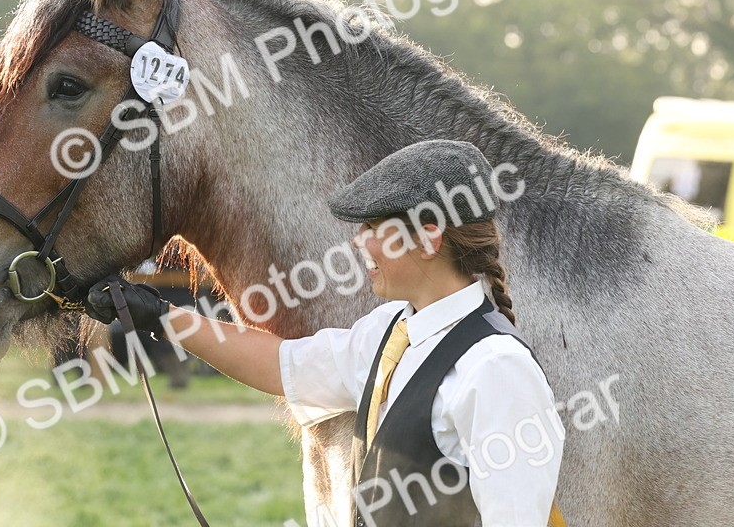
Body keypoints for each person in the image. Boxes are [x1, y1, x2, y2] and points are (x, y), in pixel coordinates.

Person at [84, 140, 565, 527]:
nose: (359, 241)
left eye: (375, 225)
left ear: (429, 238)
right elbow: (282, 365)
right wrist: (161, 317)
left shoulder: (497, 371)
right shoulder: (391, 329)